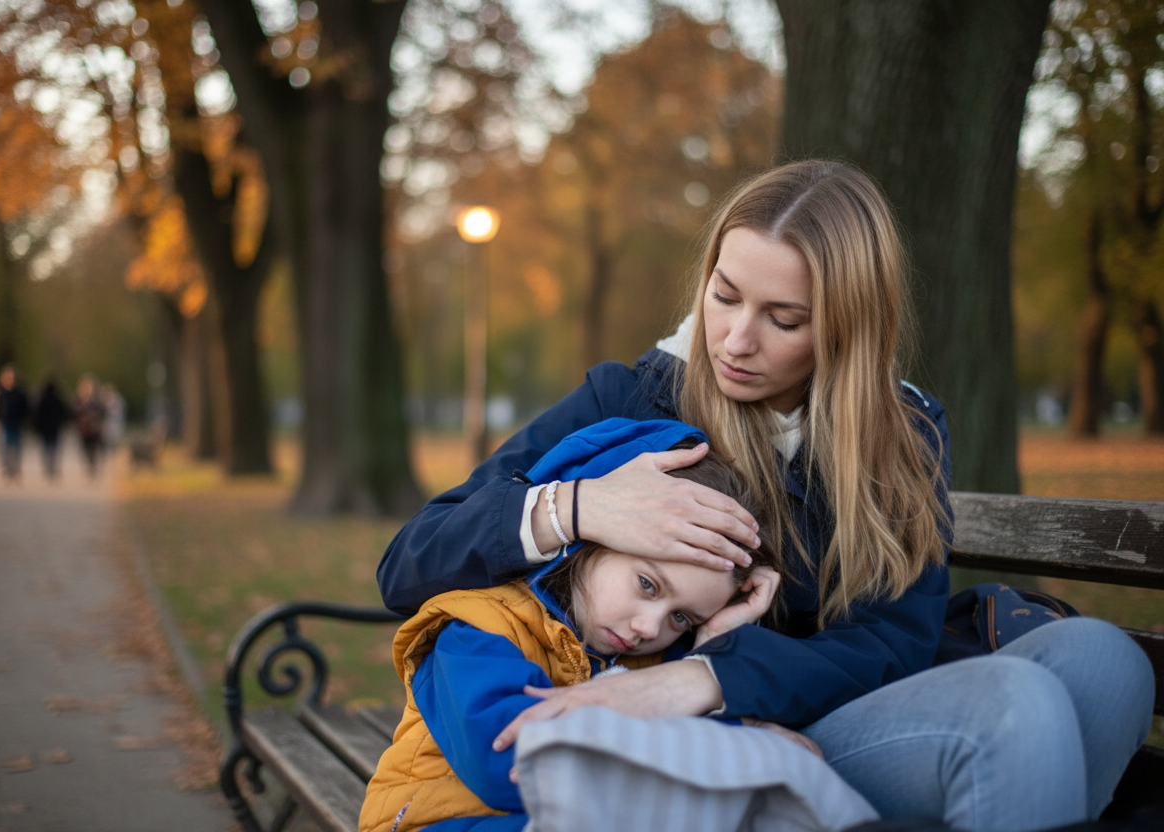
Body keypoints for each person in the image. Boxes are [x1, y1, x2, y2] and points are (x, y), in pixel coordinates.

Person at [377, 160, 1155, 832]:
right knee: (1015, 704)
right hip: (720, 746)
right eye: (724, 295)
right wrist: (578, 507)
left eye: (783, 320)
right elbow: (409, 562)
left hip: (821, 718)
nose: (735, 340)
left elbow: (895, 643)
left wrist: (703, 679)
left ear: (847, 331)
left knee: (1107, 660)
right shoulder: (635, 398)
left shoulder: (902, 432)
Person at [360, 418, 787, 832]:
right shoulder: (481, 627)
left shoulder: (657, 662)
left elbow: (718, 754)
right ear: (595, 539)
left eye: (682, 617)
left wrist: (712, 646)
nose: (648, 627)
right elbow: (511, 765)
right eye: (647, 585)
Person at [0, 364, 29, 482]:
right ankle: (6, 468)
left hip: (17, 423)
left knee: (17, 447)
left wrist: (26, 421)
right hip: (4, 423)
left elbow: (26, 408)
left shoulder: (20, 393)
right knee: (4, 446)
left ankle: (16, 468)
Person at [32, 375, 70, 481]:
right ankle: (53, 466)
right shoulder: (58, 400)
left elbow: (37, 415)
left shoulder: (41, 400)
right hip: (55, 429)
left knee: (45, 448)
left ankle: (47, 467)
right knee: (54, 448)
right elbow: (65, 414)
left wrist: (36, 428)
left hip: (45, 429)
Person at [73, 374, 107, 478]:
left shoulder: (97, 400)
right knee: (85, 448)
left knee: (93, 449)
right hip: (83, 429)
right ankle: (89, 465)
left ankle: (93, 467)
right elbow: (73, 413)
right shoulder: (78, 400)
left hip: (94, 429)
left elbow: (103, 412)